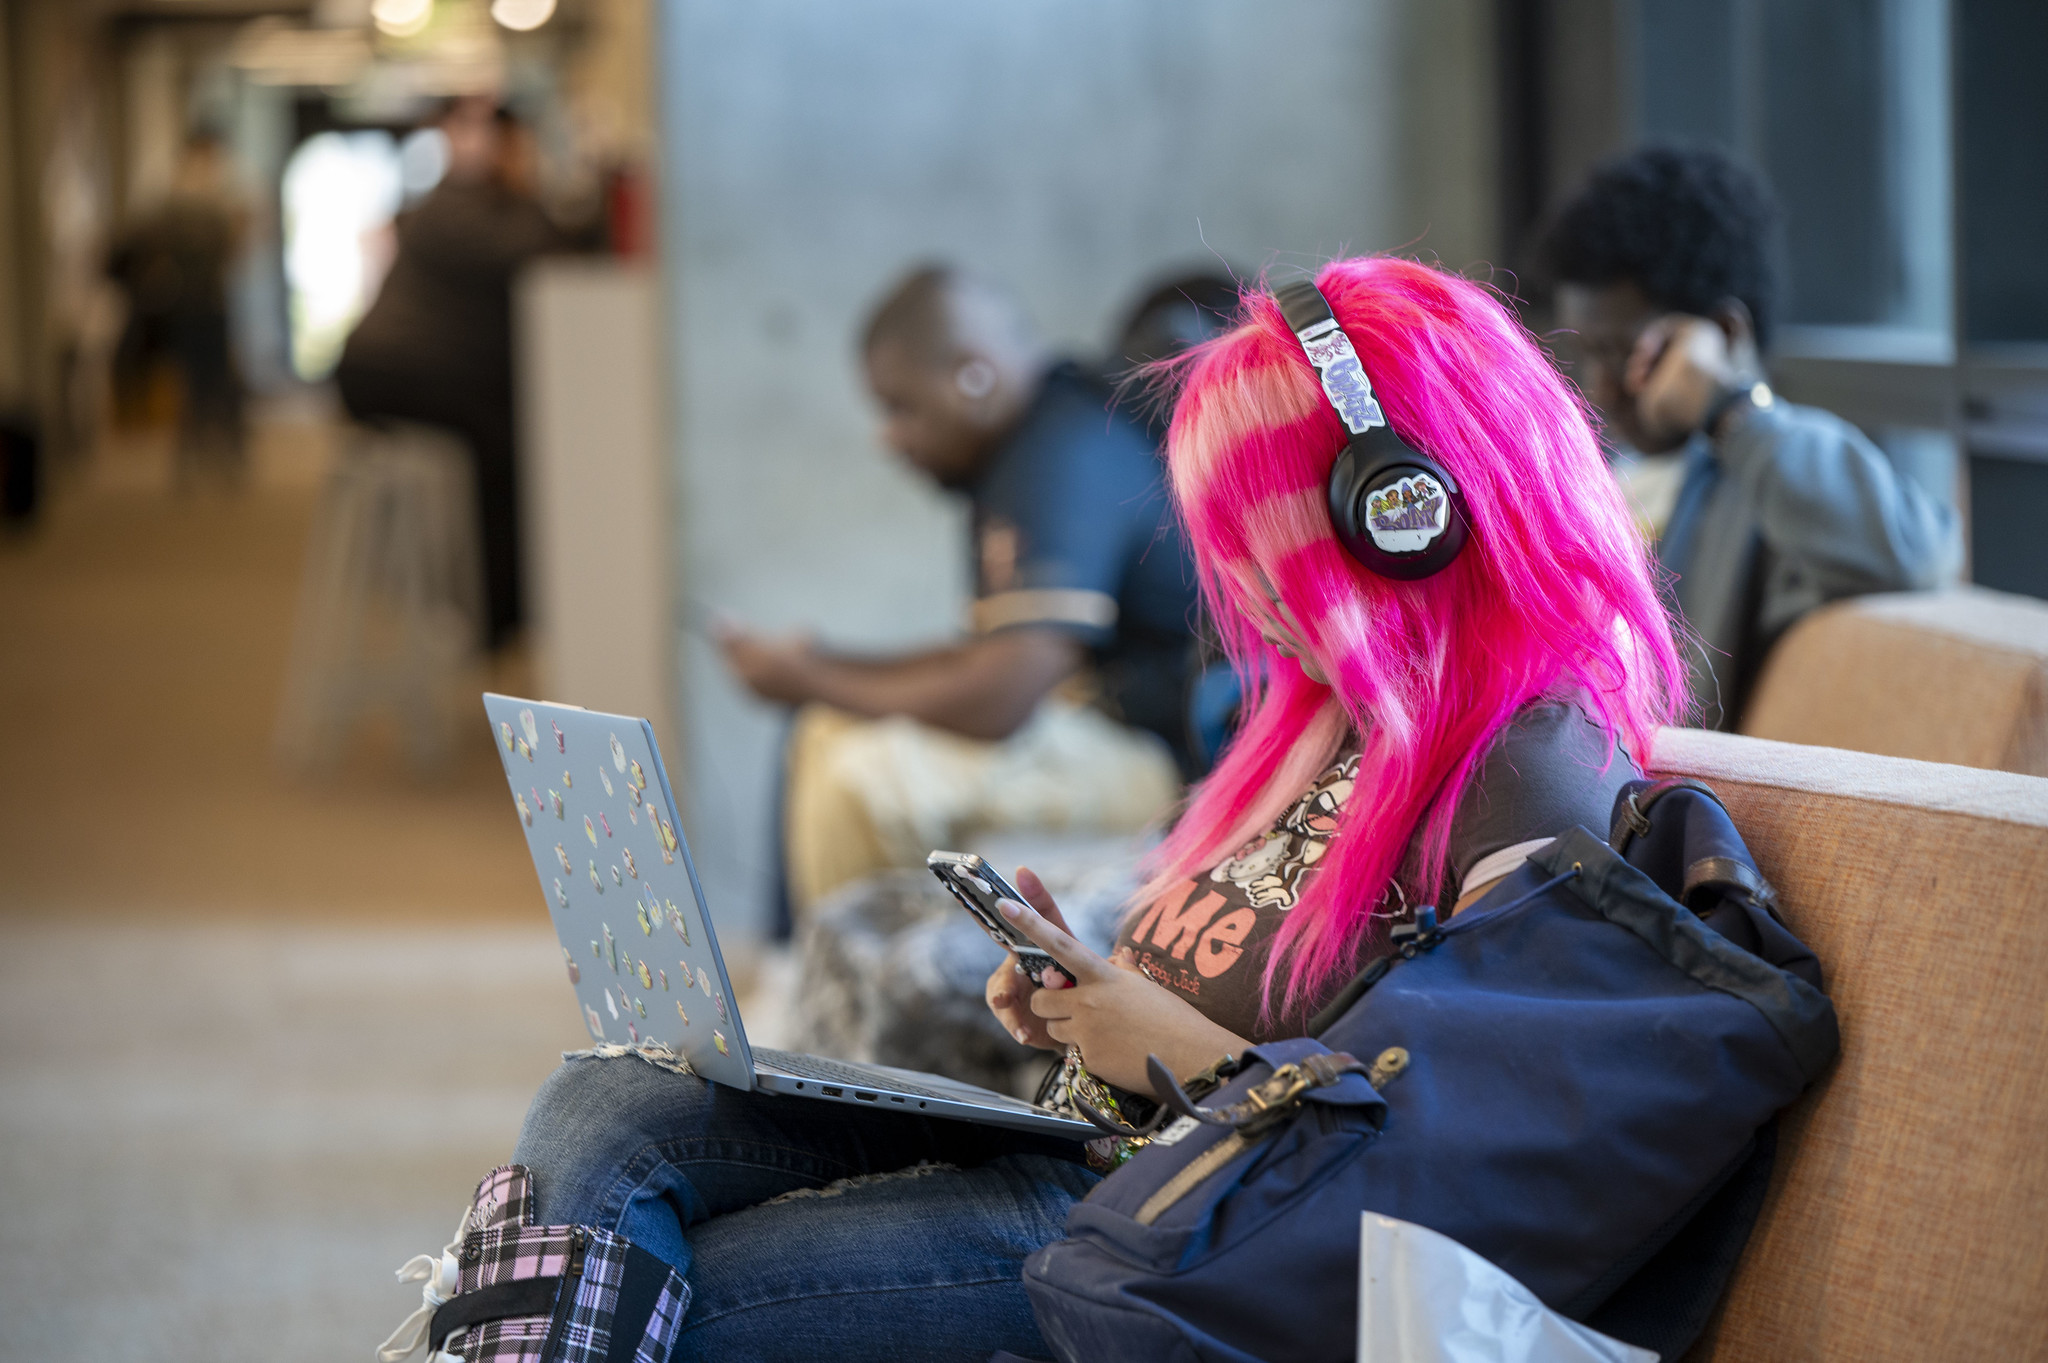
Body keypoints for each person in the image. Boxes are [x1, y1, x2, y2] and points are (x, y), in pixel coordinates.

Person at [489, 256, 1686, 1361]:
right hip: (1092, 1155)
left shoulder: (1533, 771)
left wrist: (1169, 1044)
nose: (1237, 590)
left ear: (1401, 514)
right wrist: (1094, 997)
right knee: (608, 1098)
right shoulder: (1330, 719)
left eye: (1253, 544)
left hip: (1186, 1248)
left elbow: (1463, 1193)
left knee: (675, 1299)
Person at [719, 266, 1200, 921]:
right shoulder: (1028, 444)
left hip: (1172, 763)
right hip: (1102, 727)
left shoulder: (1061, 451)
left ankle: (838, 1004)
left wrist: (812, 677)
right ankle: (806, 976)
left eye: (900, 406)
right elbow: (981, 662)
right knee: (823, 728)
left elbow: (1001, 693)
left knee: (863, 783)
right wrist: (816, 670)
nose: (887, 436)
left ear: (973, 373)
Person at [1545, 144, 1961, 728]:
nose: (1599, 388)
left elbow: (1911, 553)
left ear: (1719, 334)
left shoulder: (1772, 492)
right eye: (1587, 354)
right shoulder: (1613, 475)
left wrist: (1733, 405)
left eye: (1617, 353)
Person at [335, 99, 568, 651]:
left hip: (389, 373)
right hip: (394, 376)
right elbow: (539, 251)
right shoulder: (465, 203)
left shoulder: (464, 203)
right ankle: (494, 619)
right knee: (508, 451)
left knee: (508, 437)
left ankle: (481, 608)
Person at [108, 133, 248, 485]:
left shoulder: (173, 203)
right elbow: (232, 249)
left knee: (196, 384)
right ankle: (219, 460)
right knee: (213, 383)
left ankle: (200, 461)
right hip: (203, 305)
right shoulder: (212, 203)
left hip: (189, 305)